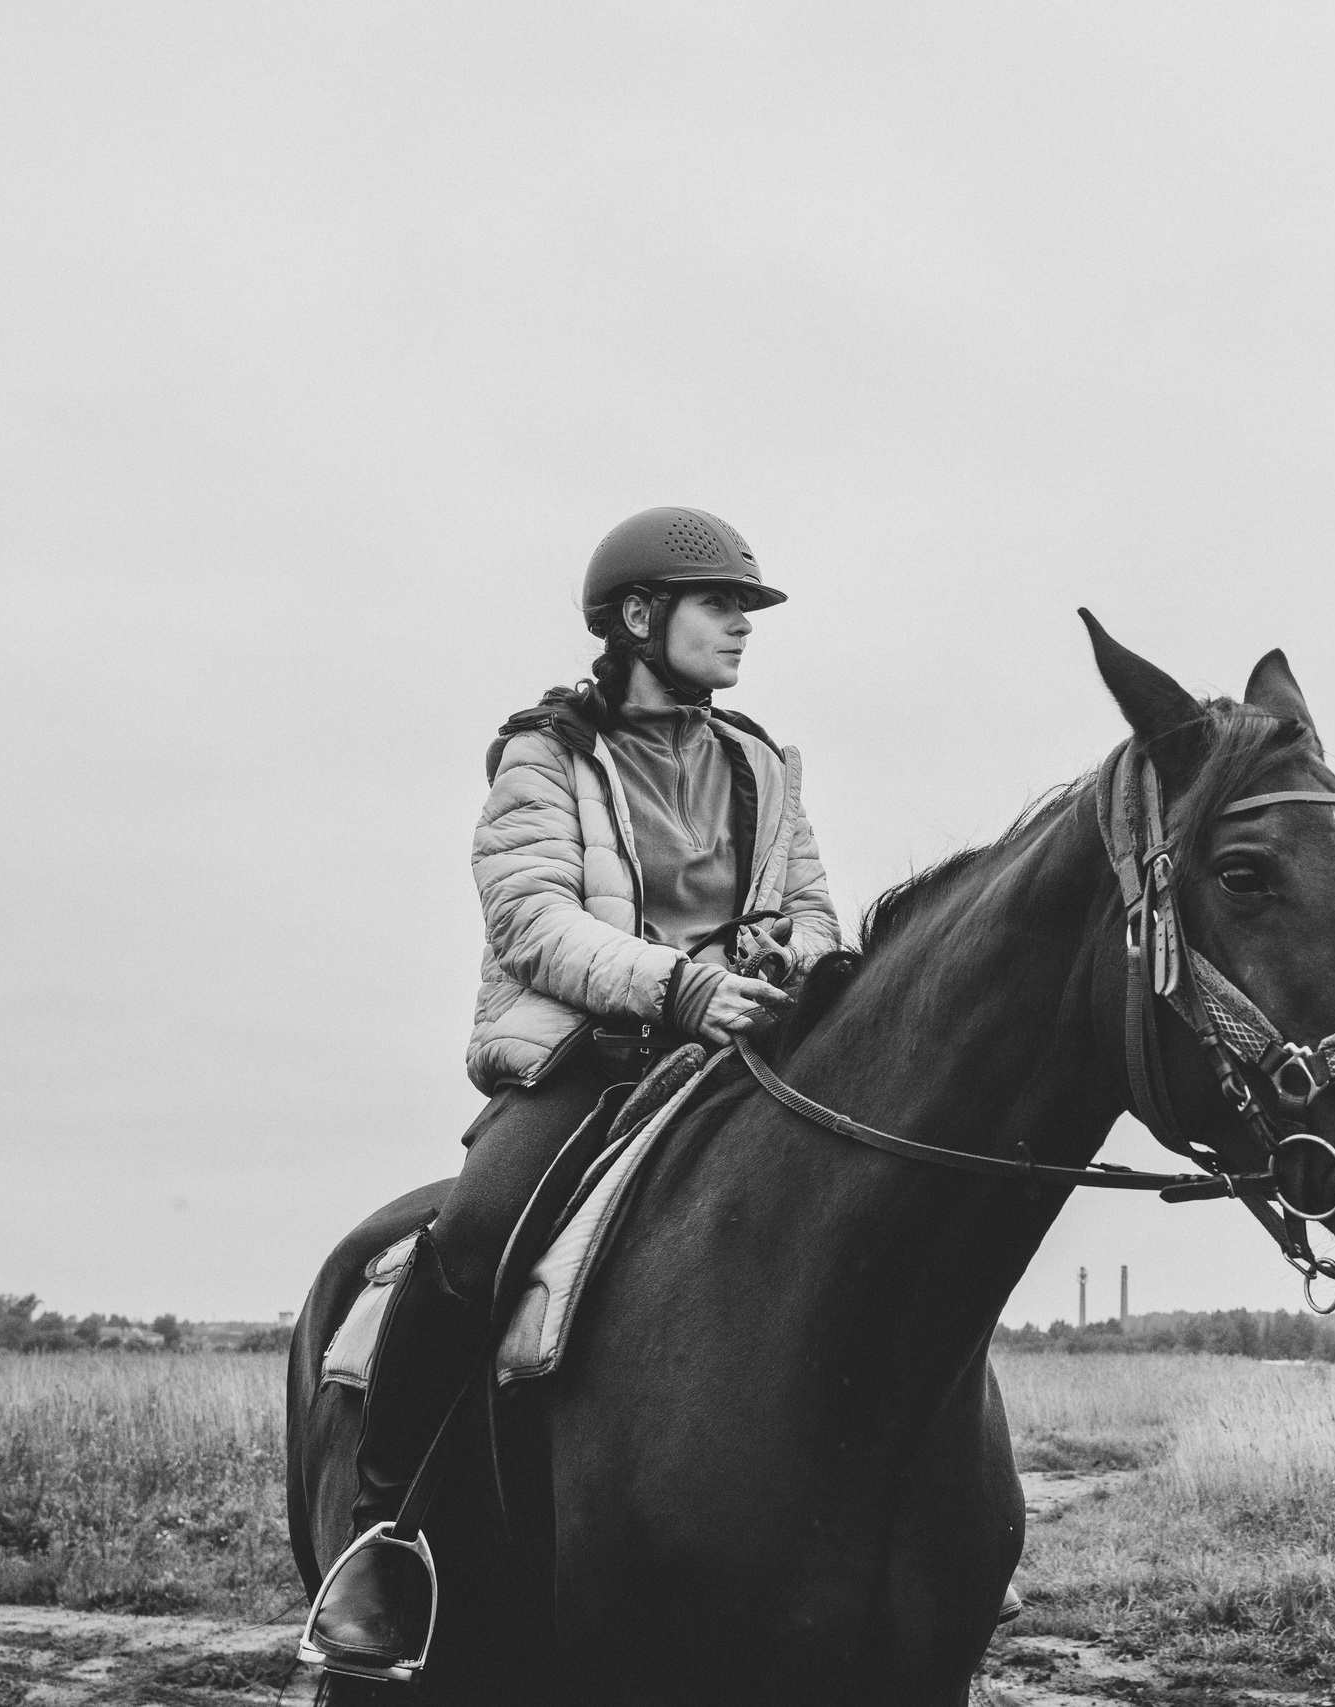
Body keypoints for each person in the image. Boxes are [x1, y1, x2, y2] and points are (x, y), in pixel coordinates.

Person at [304, 506, 840, 1676]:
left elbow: (811, 911)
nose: (742, 627)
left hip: (741, 1059)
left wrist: (796, 963)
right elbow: (533, 922)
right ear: (639, 618)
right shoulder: (542, 759)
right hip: (587, 1067)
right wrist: (677, 988)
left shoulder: (760, 762)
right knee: (470, 1239)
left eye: (747, 609)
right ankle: (387, 1540)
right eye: (720, 605)